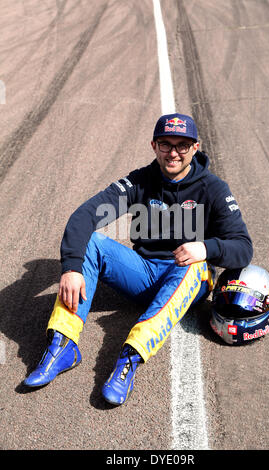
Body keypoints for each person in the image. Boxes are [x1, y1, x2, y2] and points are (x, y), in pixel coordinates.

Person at [24, 113, 253, 405]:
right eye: (165, 144)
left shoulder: (214, 189)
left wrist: (206, 248)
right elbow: (85, 215)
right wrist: (71, 268)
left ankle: (129, 359)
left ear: (195, 147)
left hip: (187, 277)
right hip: (144, 274)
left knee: (196, 266)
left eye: (182, 145)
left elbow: (243, 247)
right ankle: (63, 345)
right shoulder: (140, 180)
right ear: (154, 145)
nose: (173, 153)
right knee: (91, 242)